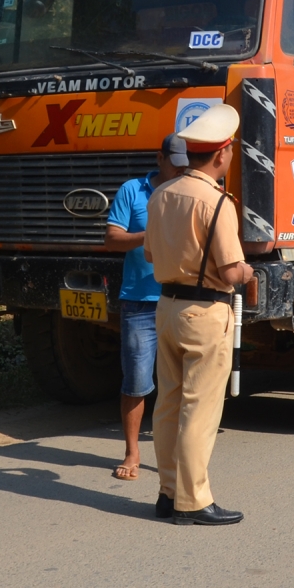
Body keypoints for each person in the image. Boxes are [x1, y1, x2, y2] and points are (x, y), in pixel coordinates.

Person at [143, 103, 252, 527]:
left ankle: (168, 494)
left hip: (166, 307)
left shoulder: (160, 195)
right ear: (223, 153)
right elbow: (229, 270)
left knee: (168, 405)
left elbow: (151, 253)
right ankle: (193, 501)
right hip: (206, 312)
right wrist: (247, 271)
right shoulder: (217, 202)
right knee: (200, 410)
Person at [102, 133, 187, 481]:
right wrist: (151, 233)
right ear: (159, 158)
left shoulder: (189, 193)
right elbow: (111, 239)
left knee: (180, 384)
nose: (180, 171)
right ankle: (132, 452)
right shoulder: (132, 190)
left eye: (185, 165)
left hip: (180, 300)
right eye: (175, 164)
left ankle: (179, 453)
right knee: (136, 381)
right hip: (139, 303)